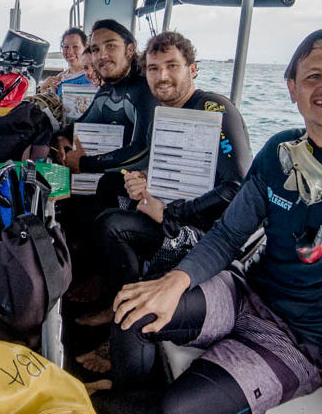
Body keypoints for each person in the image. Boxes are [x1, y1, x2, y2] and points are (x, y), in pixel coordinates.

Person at [110, 28, 322, 413]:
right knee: (131, 310)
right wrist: (176, 281)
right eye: (313, 76)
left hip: (302, 340)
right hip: (245, 291)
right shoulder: (279, 152)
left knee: (180, 407)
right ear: (292, 88)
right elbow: (227, 236)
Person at [75, 32, 252, 369]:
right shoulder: (166, 113)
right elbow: (170, 171)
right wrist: (142, 182)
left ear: (193, 69)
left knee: (113, 226)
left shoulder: (214, 109)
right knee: (111, 185)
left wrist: (170, 211)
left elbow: (236, 188)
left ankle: (122, 319)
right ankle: (112, 294)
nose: (163, 76)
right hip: (170, 211)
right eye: (154, 69)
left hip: (207, 230)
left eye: (172, 66)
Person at [61, 19, 156, 174]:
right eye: (95, 49)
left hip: (138, 191)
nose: (102, 55)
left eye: (110, 46)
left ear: (130, 49)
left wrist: (85, 164)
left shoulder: (145, 90)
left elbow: (142, 152)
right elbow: (79, 125)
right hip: (112, 182)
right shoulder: (107, 91)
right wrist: (61, 138)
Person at [40, 28, 95, 95]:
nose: (70, 52)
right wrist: (43, 88)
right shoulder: (60, 78)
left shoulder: (93, 75)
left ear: (85, 47)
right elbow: (52, 104)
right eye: (66, 47)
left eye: (75, 47)